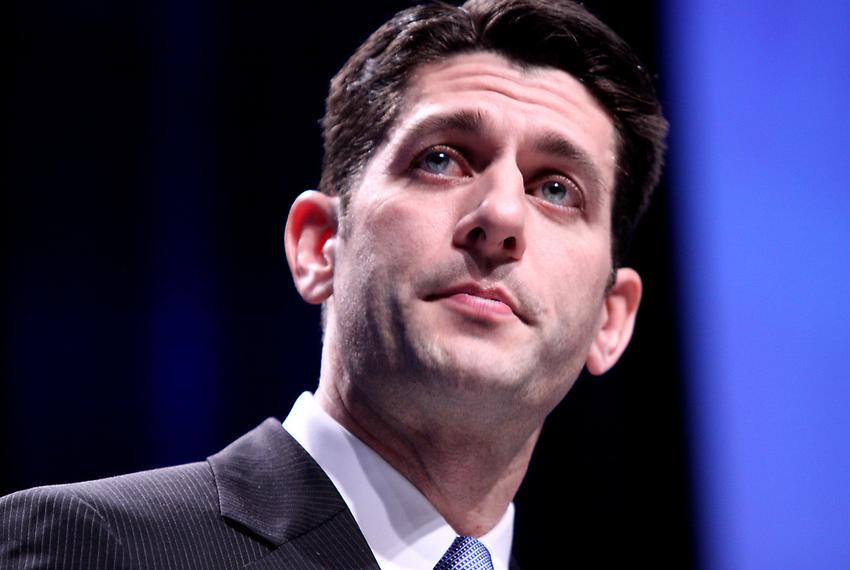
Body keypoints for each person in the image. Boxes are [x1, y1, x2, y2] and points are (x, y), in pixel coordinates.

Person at [0, 0, 667, 568]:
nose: (499, 216)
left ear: (611, 321)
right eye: (442, 159)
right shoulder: (97, 548)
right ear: (320, 246)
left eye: (556, 188)